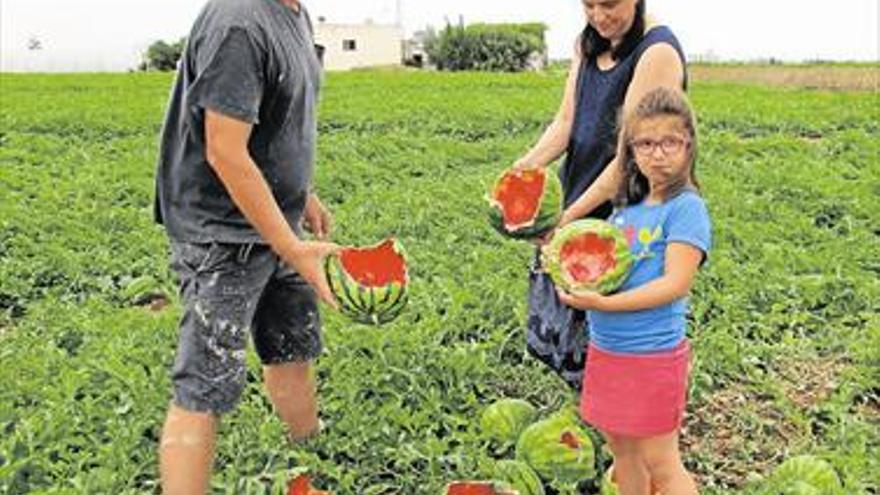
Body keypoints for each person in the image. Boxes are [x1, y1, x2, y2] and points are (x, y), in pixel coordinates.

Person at [152, 0, 337, 493]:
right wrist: (292, 247)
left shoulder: (294, 13)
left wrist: (303, 193)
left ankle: (309, 465)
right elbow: (225, 150)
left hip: (276, 219)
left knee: (293, 345)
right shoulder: (239, 22)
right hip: (223, 233)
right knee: (205, 383)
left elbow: (272, 122)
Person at [513, 0, 687, 391]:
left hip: (625, 210)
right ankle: (591, 413)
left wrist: (568, 218)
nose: (599, 16)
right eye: (588, 5)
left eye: (609, 4)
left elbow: (631, 156)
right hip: (580, 191)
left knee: (614, 332)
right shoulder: (587, 43)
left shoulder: (655, 52)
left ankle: (630, 430)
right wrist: (523, 169)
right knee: (572, 325)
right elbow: (566, 122)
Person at [557, 87, 709, 495]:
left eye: (670, 141)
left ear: (689, 145)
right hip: (609, 352)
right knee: (623, 453)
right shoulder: (627, 212)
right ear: (631, 151)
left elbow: (675, 284)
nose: (657, 153)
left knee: (662, 462)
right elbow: (605, 270)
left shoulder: (686, 208)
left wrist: (603, 303)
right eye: (645, 143)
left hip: (652, 356)